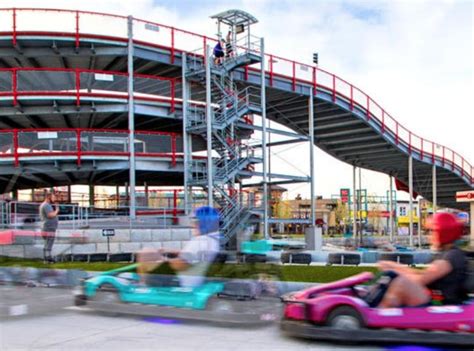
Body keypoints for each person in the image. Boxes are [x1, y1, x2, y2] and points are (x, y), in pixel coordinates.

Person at [373, 212, 467, 308]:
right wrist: (394, 267)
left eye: (432, 231)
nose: (429, 235)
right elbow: (421, 273)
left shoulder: (452, 256)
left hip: (444, 306)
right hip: (435, 300)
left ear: (443, 232)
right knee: (392, 280)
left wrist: (395, 269)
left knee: (401, 284)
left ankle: (375, 316)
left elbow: (420, 279)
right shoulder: (445, 254)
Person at [137, 206, 221, 288]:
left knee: (145, 253)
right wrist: (170, 251)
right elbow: (193, 256)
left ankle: (143, 285)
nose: (193, 224)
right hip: (194, 280)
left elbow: (179, 265)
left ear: (203, 222)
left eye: (195, 221)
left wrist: (163, 259)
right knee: (151, 253)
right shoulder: (212, 241)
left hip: (180, 282)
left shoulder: (199, 242)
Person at [39, 190, 59, 263]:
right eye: (54, 197)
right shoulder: (46, 205)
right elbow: (50, 215)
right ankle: (48, 258)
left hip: (48, 227)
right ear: (49, 197)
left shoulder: (46, 205)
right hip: (48, 227)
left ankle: (46, 258)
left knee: (47, 243)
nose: (55, 199)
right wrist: (57, 209)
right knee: (49, 243)